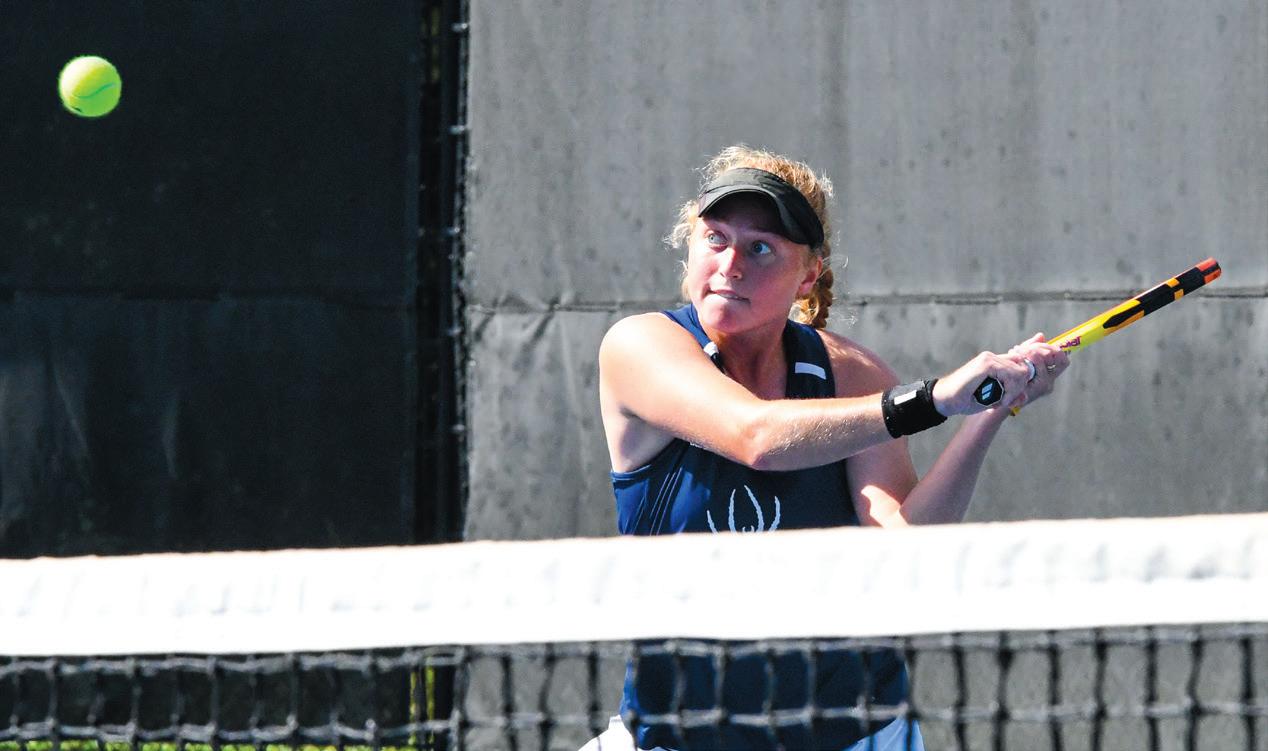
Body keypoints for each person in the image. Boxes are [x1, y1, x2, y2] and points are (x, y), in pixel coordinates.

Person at [588, 145, 1069, 751]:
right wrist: (933, 401)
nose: (731, 264)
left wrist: (988, 413)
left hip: (855, 731)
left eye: (761, 248)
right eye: (716, 238)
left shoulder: (850, 373)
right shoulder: (639, 346)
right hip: (682, 734)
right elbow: (756, 437)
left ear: (808, 275)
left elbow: (902, 549)